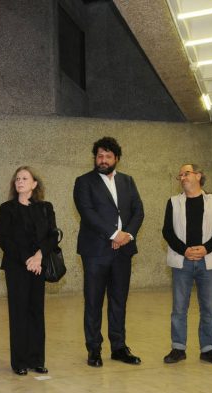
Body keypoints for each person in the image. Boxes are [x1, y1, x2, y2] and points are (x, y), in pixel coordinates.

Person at [73, 136, 144, 367]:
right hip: (95, 251)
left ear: (117, 159)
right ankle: (94, 350)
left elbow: (138, 211)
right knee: (93, 301)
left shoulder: (128, 181)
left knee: (118, 301)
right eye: (99, 156)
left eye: (108, 156)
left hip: (123, 251)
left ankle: (119, 347)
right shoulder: (84, 182)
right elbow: (87, 212)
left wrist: (126, 236)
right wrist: (114, 234)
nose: (102, 160)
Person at [162, 164, 212, 365]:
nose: (182, 177)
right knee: (179, 308)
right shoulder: (173, 202)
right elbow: (167, 231)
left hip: (207, 261)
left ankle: (208, 349)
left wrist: (205, 248)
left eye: (186, 173)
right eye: (180, 175)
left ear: (199, 175)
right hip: (182, 261)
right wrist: (185, 250)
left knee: (208, 308)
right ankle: (178, 348)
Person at [0, 166, 58, 375]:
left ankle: (37, 360)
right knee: (18, 313)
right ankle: (20, 362)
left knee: (36, 312)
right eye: (17, 179)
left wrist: (39, 256)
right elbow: (5, 239)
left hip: (38, 266)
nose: (19, 181)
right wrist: (27, 259)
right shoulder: (7, 208)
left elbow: (53, 235)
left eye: (24, 178)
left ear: (34, 184)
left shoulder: (45, 208)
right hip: (17, 267)